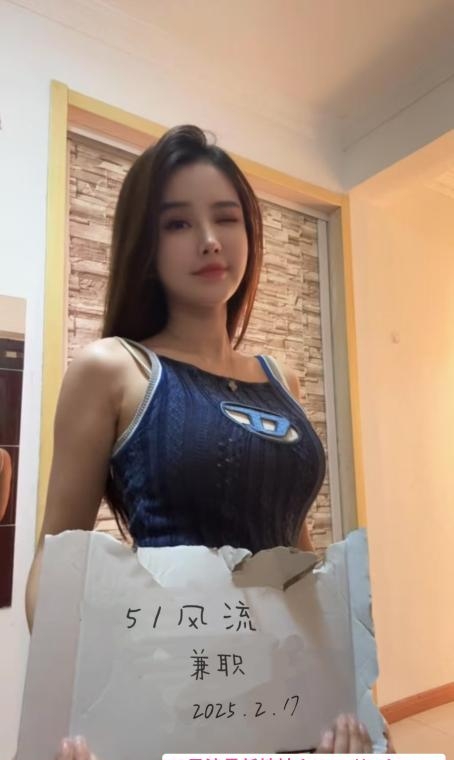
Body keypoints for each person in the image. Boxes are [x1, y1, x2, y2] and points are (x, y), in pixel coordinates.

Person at [25, 125, 380, 755]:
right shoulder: (113, 368)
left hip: (288, 696)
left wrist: (344, 687)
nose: (210, 239)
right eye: (178, 223)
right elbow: (57, 563)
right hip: (173, 699)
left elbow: (294, 548)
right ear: (146, 242)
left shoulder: (281, 378)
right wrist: (72, 705)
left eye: (226, 217)